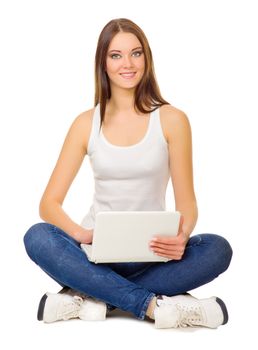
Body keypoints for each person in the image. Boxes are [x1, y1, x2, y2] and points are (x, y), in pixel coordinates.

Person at [23, 18, 233, 329]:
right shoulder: (85, 123)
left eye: (136, 53)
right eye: (116, 55)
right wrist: (82, 235)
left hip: (152, 252)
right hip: (94, 253)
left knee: (217, 249)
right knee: (37, 237)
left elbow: (187, 202)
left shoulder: (173, 119)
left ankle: (90, 296)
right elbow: (48, 204)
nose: (128, 64)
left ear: (147, 59)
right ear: (103, 63)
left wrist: (182, 235)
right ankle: (150, 304)